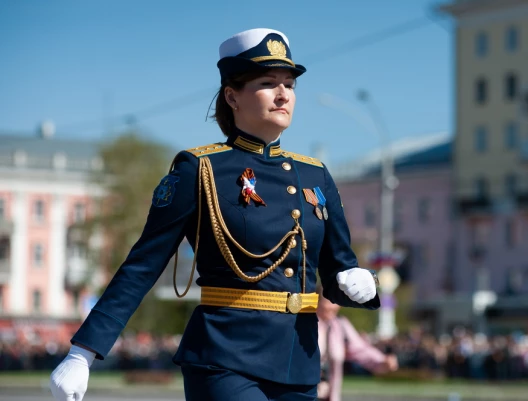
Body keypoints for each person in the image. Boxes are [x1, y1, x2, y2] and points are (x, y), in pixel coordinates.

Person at [48, 28, 381, 401]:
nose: (284, 93)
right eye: (268, 82)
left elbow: (338, 270)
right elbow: (142, 265)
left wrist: (360, 281)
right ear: (232, 95)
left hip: (298, 362)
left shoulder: (315, 174)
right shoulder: (200, 169)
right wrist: (83, 352)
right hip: (225, 359)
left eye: (289, 83)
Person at [316, 288, 397, 401]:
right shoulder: (305, 324)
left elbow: (360, 350)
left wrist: (382, 361)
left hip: (330, 395)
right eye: (328, 301)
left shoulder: (340, 326)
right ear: (316, 301)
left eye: (336, 301)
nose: (333, 306)